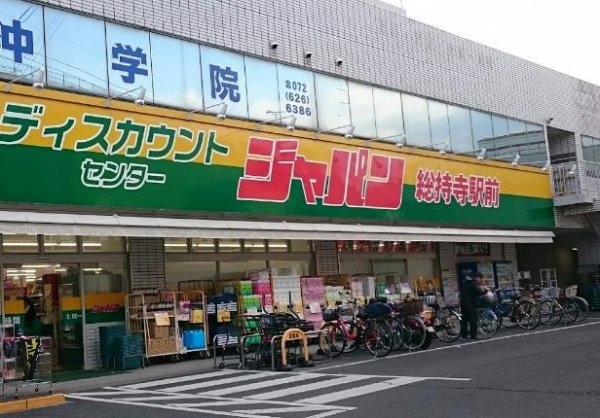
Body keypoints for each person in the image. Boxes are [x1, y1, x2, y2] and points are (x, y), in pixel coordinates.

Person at [460, 272, 487, 339]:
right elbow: (481, 292)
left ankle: (464, 336)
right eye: (480, 279)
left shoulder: (465, 283)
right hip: (471, 305)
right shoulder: (474, 284)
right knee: (473, 320)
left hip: (463, 304)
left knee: (464, 321)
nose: (480, 280)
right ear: (477, 278)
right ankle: (473, 335)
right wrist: (486, 290)